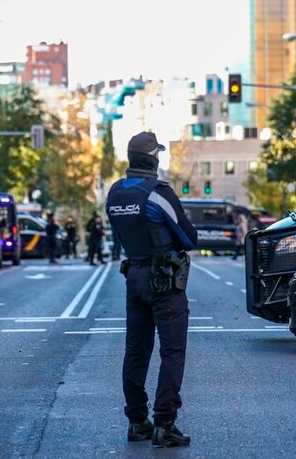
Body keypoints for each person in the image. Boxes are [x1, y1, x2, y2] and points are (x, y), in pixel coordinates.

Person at [106, 131, 198, 448]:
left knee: (136, 352)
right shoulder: (157, 192)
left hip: (134, 276)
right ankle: (165, 424)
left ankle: (137, 422)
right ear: (153, 158)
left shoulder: (115, 193)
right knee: (172, 351)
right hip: (165, 281)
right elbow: (189, 237)